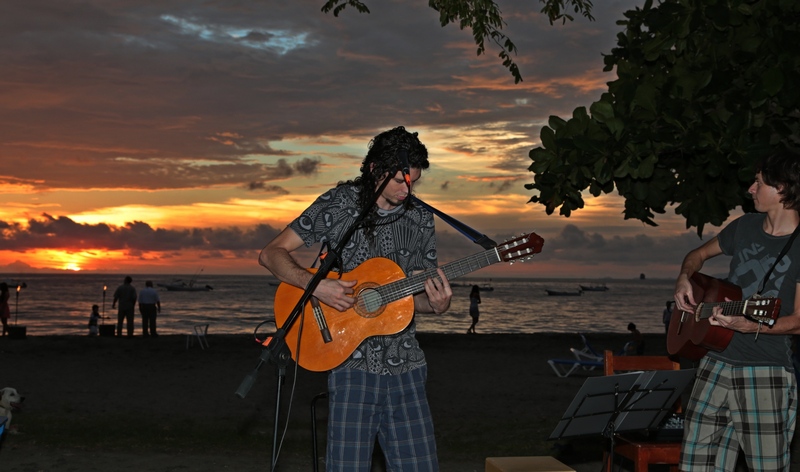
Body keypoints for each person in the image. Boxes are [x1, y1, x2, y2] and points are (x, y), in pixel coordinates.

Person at [259, 126, 452, 472]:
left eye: (413, 182)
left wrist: (436, 304)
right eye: (399, 181)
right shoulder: (339, 204)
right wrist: (315, 285)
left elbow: (413, 298)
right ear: (375, 170)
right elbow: (271, 254)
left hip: (407, 365)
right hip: (350, 364)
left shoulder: (421, 218)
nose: (407, 190)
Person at [673, 149, 800, 471]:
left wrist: (752, 326)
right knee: (696, 465)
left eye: (758, 183)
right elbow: (696, 256)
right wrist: (684, 279)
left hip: (764, 370)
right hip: (714, 362)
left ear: (782, 188)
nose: (751, 189)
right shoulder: (744, 227)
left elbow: (798, 321)